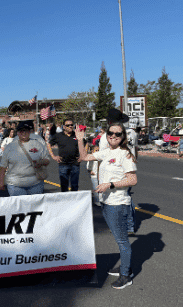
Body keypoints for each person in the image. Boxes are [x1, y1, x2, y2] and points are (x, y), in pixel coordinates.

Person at [76, 123, 137, 290]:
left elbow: (132, 180)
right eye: (111, 132)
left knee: (122, 240)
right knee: (119, 238)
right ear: (107, 134)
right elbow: (84, 157)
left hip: (117, 203)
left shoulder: (125, 155)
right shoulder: (107, 152)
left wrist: (110, 184)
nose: (114, 136)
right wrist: (80, 140)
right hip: (106, 202)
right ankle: (125, 267)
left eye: (118, 134)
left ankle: (126, 274)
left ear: (123, 136)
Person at [0, 121, 50, 196]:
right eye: (21, 131)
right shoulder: (10, 147)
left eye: (26, 130)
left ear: (30, 132)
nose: (24, 133)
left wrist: (41, 163)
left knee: (34, 207)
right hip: (15, 184)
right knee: (19, 207)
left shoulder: (38, 144)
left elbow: (47, 160)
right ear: (18, 133)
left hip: (35, 184)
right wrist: (1, 181)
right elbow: (3, 165)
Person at [48, 118, 81, 192]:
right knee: (64, 186)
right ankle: (65, 202)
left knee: (74, 186)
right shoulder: (58, 135)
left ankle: (74, 202)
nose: (70, 126)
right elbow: (49, 144)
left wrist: (82, 156)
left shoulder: (76, 135)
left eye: (72, 125)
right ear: (64, 127)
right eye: (68, 125)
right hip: (63, 164)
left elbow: (86, 144)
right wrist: (53, 156)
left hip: (75, 164)